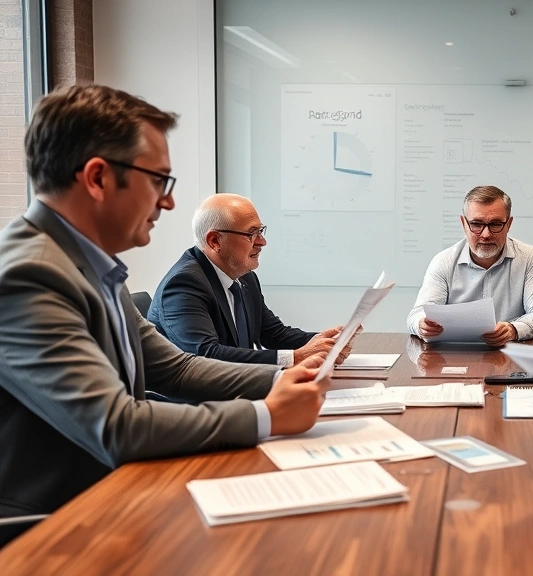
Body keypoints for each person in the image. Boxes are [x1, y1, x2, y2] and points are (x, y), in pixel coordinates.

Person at [0, 84, 329, 539]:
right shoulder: (28, 276)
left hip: (115, 494)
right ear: (97, 178)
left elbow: (175, 369)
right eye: (159, 180)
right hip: (54, 527)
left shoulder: (89, 263)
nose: (168, 202)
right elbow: (116, 425)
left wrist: (286, 378)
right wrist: (267, 415)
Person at [148, 194, 346, 366]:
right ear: (215, 241)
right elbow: (207, 355)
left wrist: (325, 341)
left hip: (237, 390)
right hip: (196, 404)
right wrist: (295, 357)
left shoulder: (245, 277)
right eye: (252, 233)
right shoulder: (183, 284)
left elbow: (273, 334)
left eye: (261, 231)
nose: (262, 242)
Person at [407, 185, 533, 346]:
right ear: (464, 223)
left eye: (495, 224)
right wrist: (421, 325)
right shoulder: (443, 261)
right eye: (477, 224)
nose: (486, 234)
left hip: (511, 357)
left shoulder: (528, 258)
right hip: (455, 357)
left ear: (508, 224)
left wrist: (513, 329)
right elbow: (416, 315)